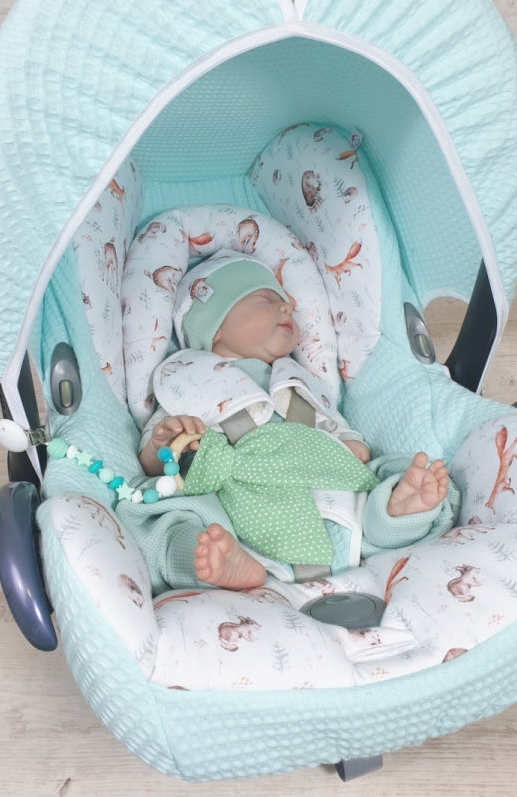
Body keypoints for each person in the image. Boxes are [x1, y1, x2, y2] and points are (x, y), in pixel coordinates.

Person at [130, 250, 459, 592]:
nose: (287, 307)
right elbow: (153, 464)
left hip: (317, 487)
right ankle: (216, 563)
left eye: (286, 302)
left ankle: (393, 515)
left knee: (390, 473)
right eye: (266, 299)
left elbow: (331, 424)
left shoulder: (298, 381)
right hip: (229, 506)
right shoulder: (188, 382)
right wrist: (162, 444)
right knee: (169, 521)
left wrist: (350, 443)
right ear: (214, 328)